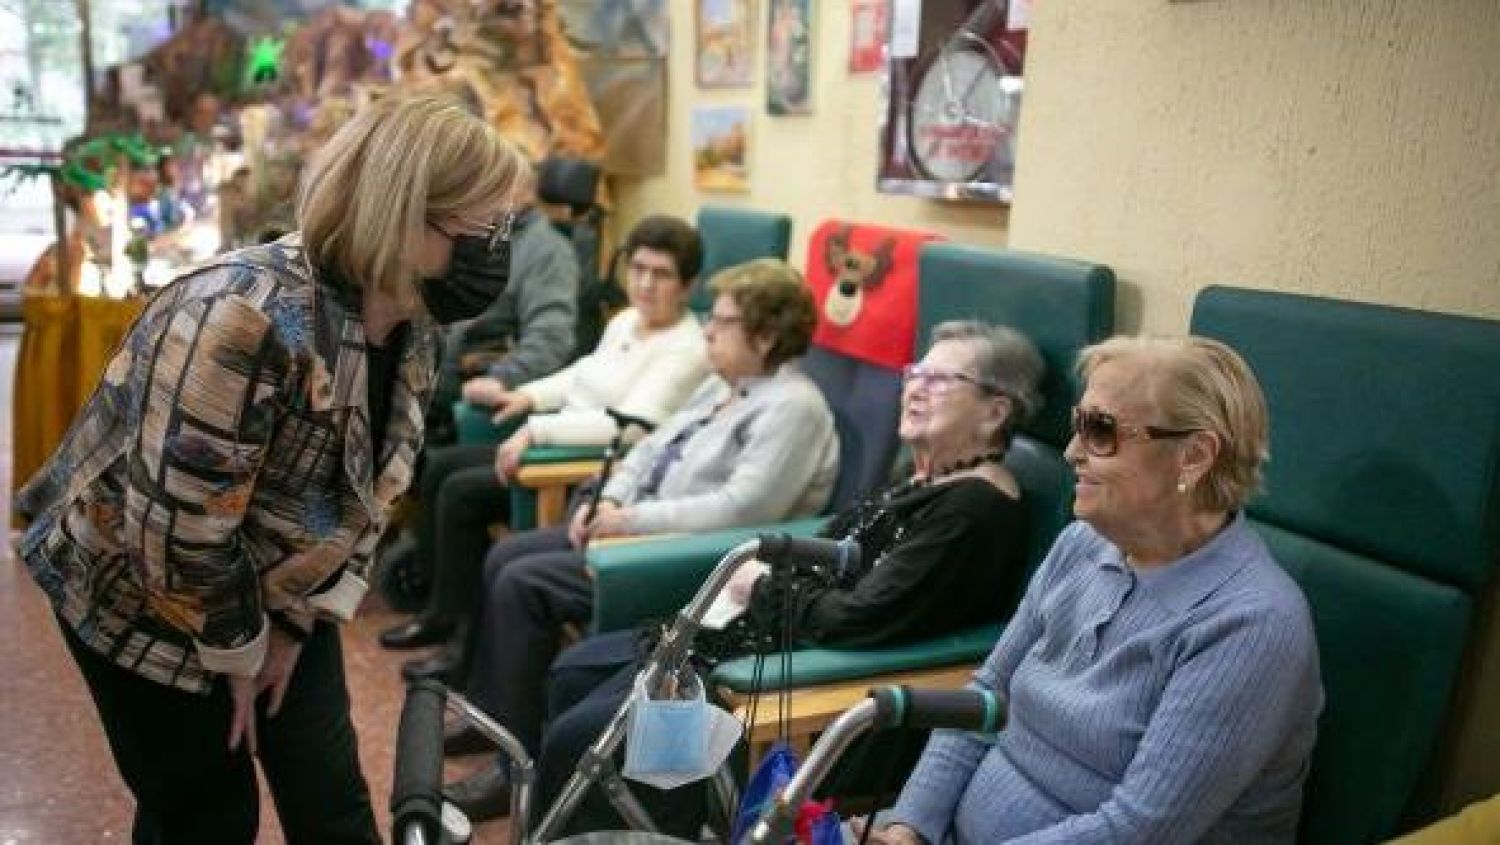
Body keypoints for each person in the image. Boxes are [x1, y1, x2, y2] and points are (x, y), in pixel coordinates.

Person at [12, 93, 528, 845]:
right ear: (404, 214)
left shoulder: (412, 321)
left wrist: (289, 625)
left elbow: (373, 493)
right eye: (484, 226)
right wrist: (238, 648)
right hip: (141, 594)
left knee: (332, 797)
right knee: (207, 813)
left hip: (278, 581)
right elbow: (178, 537)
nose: (495, 245)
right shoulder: (241, 313)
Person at [511, 321, 1048, 836]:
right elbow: (837, 556)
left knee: (580, 737)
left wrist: (762, 586)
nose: (915, 388)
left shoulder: (973, 511)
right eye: (915, 373)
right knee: (574, 673)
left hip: (801, 676)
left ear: (994, 410)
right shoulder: (924, 476)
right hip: (757, 635)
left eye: (940, 379)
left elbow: (860, 616)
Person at [860, 335, 1323, 845]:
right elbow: (987, 696)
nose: (1071, 451)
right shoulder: (1084, 544)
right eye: (1078, 424)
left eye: (1100, 431)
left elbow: (1138, 830)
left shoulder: (1252, 623)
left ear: (1193, 456)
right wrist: (909, 828)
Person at [441, 258, 841, 816]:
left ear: (767, 335)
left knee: (523, 583)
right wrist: (608, 499)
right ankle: (497, 717)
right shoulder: (722, 386)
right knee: (506, 554)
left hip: (683, 561)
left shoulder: (793, 407)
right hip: (633, 530)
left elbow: (741, 510)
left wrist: (630, 524)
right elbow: (649, 447)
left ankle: (513, 769)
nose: (706, 331)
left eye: (721, 322)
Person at [381, 215, 711, 674]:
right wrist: (527, 396)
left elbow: (630, 428)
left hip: (589, 461)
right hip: (559, 436)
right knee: (440, 466)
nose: (645, 284)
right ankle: (441, 614)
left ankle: (462, 651)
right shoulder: (629, 321)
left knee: (462, 492)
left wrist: (537, 431)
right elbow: (584, 372)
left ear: (688, 285)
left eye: (662, 275)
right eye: (638, 269)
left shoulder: (687, 347)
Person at [424, 172, 580, 446]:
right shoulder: (478, 234)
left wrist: (502, 377)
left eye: (499, 183)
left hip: (476, 376)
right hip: (430, 367)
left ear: (527, 193)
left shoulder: (549, 252)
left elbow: (551, 338)